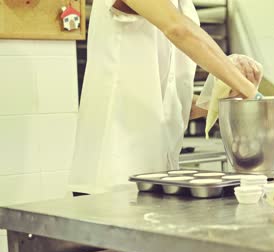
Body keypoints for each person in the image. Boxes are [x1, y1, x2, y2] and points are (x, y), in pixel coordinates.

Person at [69, 0, 261, 195]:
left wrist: (219, 98)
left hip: (156, 177)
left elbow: (171, 107)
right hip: (110, 176)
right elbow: (178, 29)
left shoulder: (183, 6)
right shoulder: (176, 20)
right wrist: (251, 93)